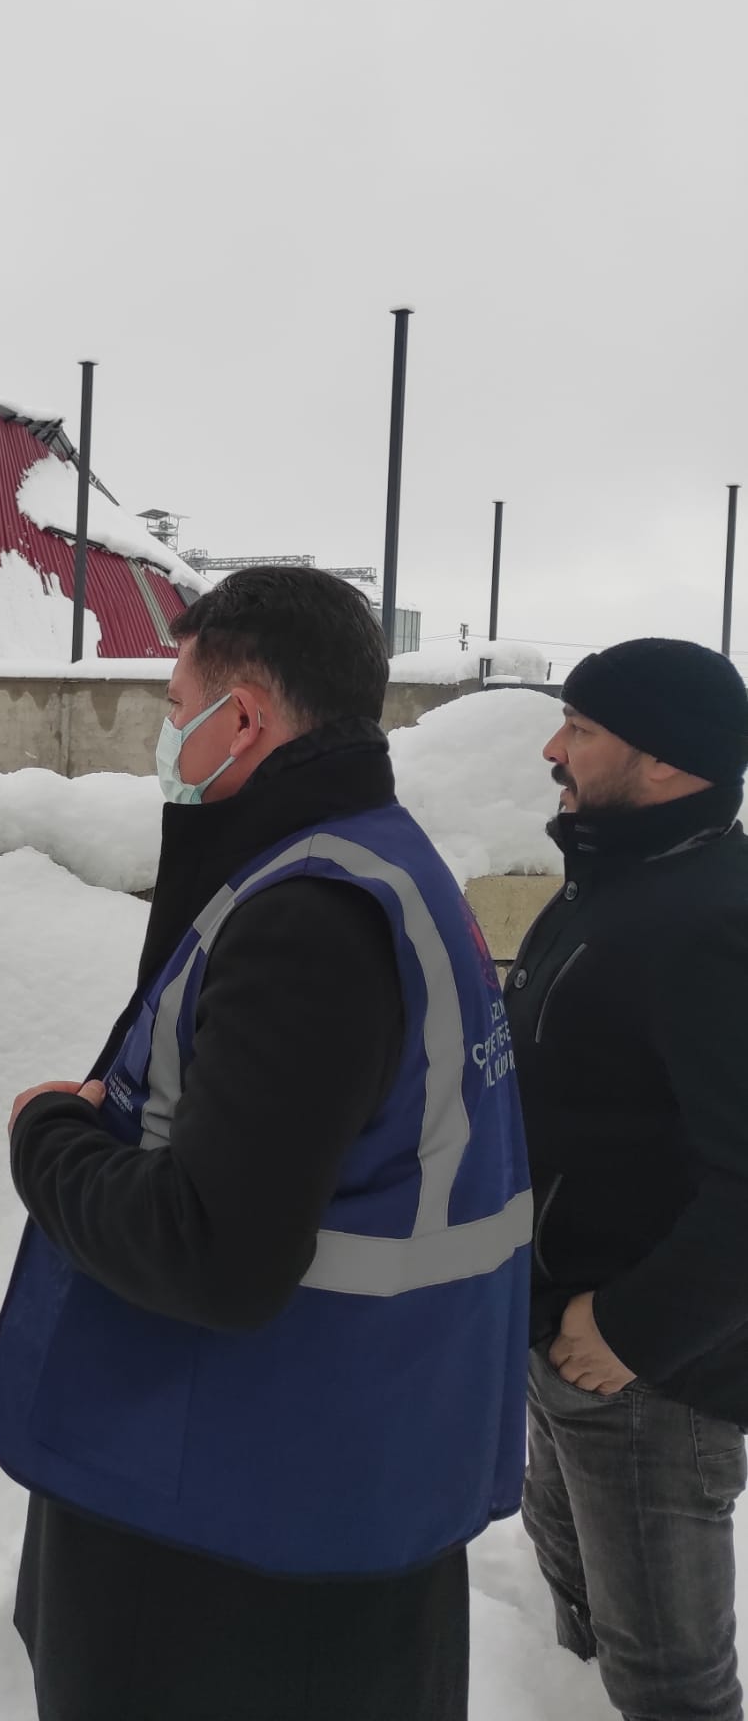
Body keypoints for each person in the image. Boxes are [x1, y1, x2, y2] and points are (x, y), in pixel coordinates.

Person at [0, 566, 531, 1721]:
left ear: (242, 720)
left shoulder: (307, 917)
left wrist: (47, 1139)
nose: (164, 733)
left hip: (243, 1540)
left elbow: (215, 1251)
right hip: (334, 1479)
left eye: (175, 704)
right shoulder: (369, 858)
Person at [507, 638, 748, 1721]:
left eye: (581, 729)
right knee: (577, 1633)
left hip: (647, 1376)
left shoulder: (708, 921)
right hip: (561, 1336)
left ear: (664, 764)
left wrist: (631, 1327)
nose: (551, 749)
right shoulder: (610, 883)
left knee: (665, 1681)